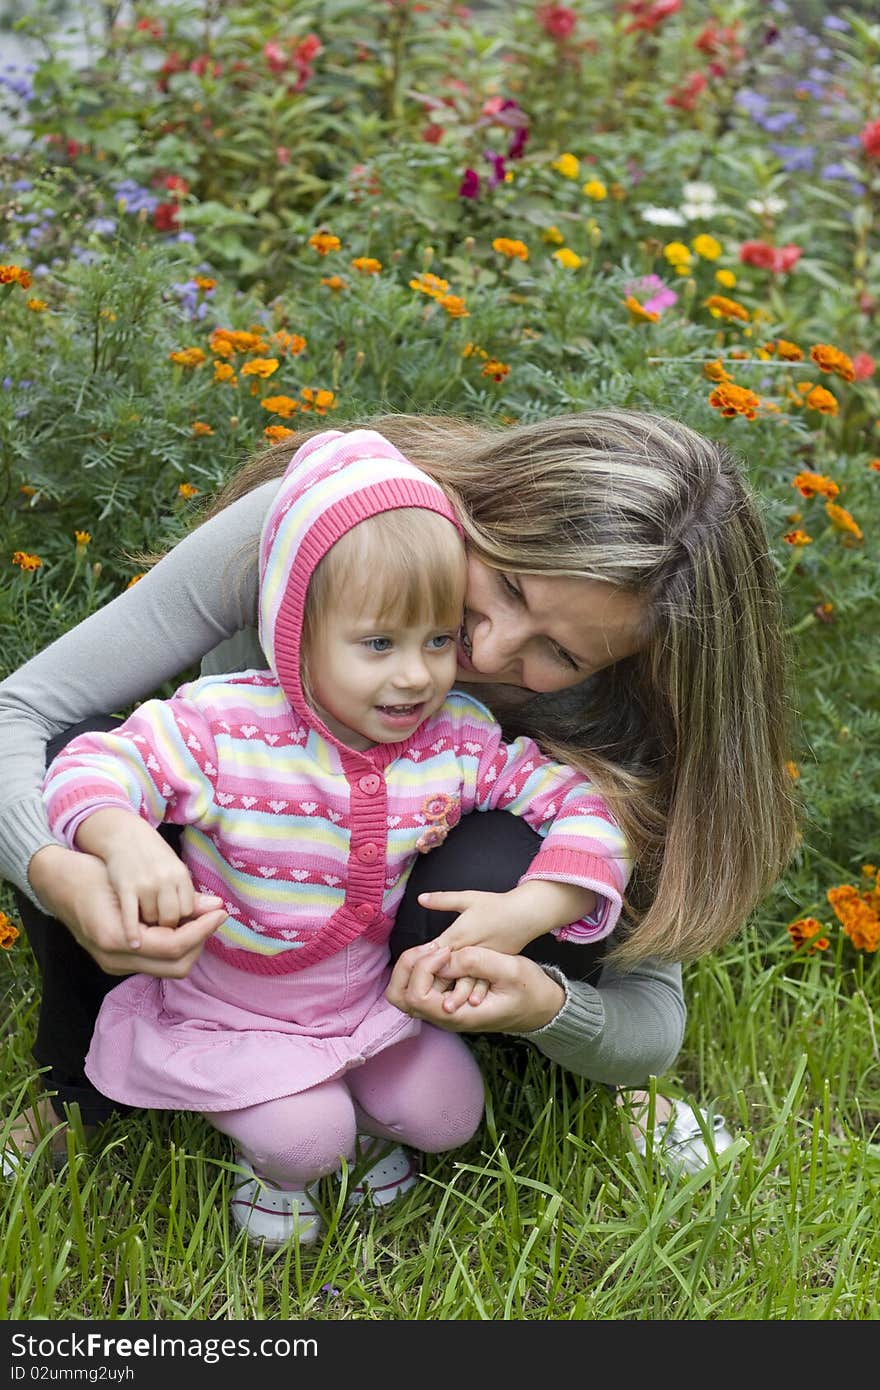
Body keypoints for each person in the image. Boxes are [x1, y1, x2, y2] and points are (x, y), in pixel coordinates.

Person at [0, 408, 797, 1187]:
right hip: (237, 881)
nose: (487, 649)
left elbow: (652, 1013)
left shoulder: (620, 711)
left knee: (509, 868)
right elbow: (20, 709)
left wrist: (548, 1006)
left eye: (560, 652)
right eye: (509, 585)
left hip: (389, 934)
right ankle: (82, 1082)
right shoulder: (320, 527)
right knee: (75, 763)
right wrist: (54, 869)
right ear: (484, 506)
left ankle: (534, 1081)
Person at [38, 428, 632, 1246]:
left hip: (367, 1000)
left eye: (436, 639)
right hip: (233, 1001)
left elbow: (580, 806)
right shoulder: (225, 726)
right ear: (296, 631)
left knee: (450, 1113)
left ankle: (366, 1127)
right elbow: (90, 764)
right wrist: (122, 839)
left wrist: (538, 903)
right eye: (378, 644)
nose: (416, 675)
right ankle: (281, 1163)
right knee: (303, 1138)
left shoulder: (454, 741)